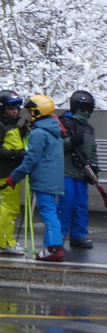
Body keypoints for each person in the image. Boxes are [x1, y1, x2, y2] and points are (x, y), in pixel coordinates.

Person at [4, 94, 67, 262]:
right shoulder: (55, 130)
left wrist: (14, 178)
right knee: (51, 212)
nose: (29, 115)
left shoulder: (39, 133)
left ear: (37, 112)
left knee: (48, 213)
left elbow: (31, 159)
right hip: (54, 179)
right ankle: (50, 246)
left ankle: (55, 247)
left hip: (43, 180)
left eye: (31, 112)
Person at [0, 89, 29, 255]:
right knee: (10, 209)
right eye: (11, 108)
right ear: (2, 108)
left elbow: (14, 140)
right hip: (8, 174)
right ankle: (4, 243)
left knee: (3, 208)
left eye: (17, 108)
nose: (15, 111)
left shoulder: (9, 124)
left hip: (10, 172)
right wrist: (19, 155)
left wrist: (24, 129)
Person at [59, 89, 99, 250]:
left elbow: (93, 149)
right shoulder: (64, 123)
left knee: (81, 203)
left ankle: (79, 235)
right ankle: (59, 235)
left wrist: (94, 167)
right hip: (66, 171)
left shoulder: (89, 129)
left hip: (82, 173)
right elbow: (56, 145)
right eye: (85, 109)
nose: (87, 112)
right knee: (66, 202)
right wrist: (70, 142)